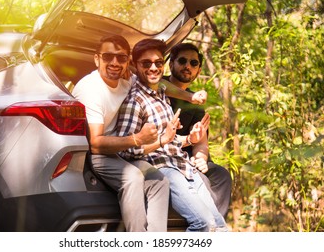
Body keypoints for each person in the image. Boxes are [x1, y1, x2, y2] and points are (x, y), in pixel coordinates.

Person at [117, 38, 228, 232]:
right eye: (146, 63)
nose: (153, 68)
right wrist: (162, 140)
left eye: (157, 63)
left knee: (220, 227)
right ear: (134, 66)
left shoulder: (161, 94)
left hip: (182, 164)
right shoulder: (135, 101)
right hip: (163, 167)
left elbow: (174, 141)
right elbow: (126, 151)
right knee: (204, 224)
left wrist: (190, 140)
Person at [72, 35, 170, 232]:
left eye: (121, 58)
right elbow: (96, 144)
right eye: (108, 56)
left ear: (128, 62)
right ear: (96, 59)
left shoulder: (127, 80)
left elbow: (161, 85)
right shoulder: (90, 89)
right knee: (132, 177)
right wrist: (138, 139)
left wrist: (191, 96)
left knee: (159, 181)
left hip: (122, 151)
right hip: (98, 154)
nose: (115, 63)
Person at [165, 43, 232, 218]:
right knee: (200, 180)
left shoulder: (196, 108)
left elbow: (200, 142)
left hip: (187, 158)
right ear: (171, 64)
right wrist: (191, 97)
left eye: (193, 63)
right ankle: (204, 223)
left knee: (221, 175)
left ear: (198, 70)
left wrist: (200, 159)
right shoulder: (158, 86)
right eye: (182, 61)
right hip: (163, 157)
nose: (188, 66)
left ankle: (216, 227)